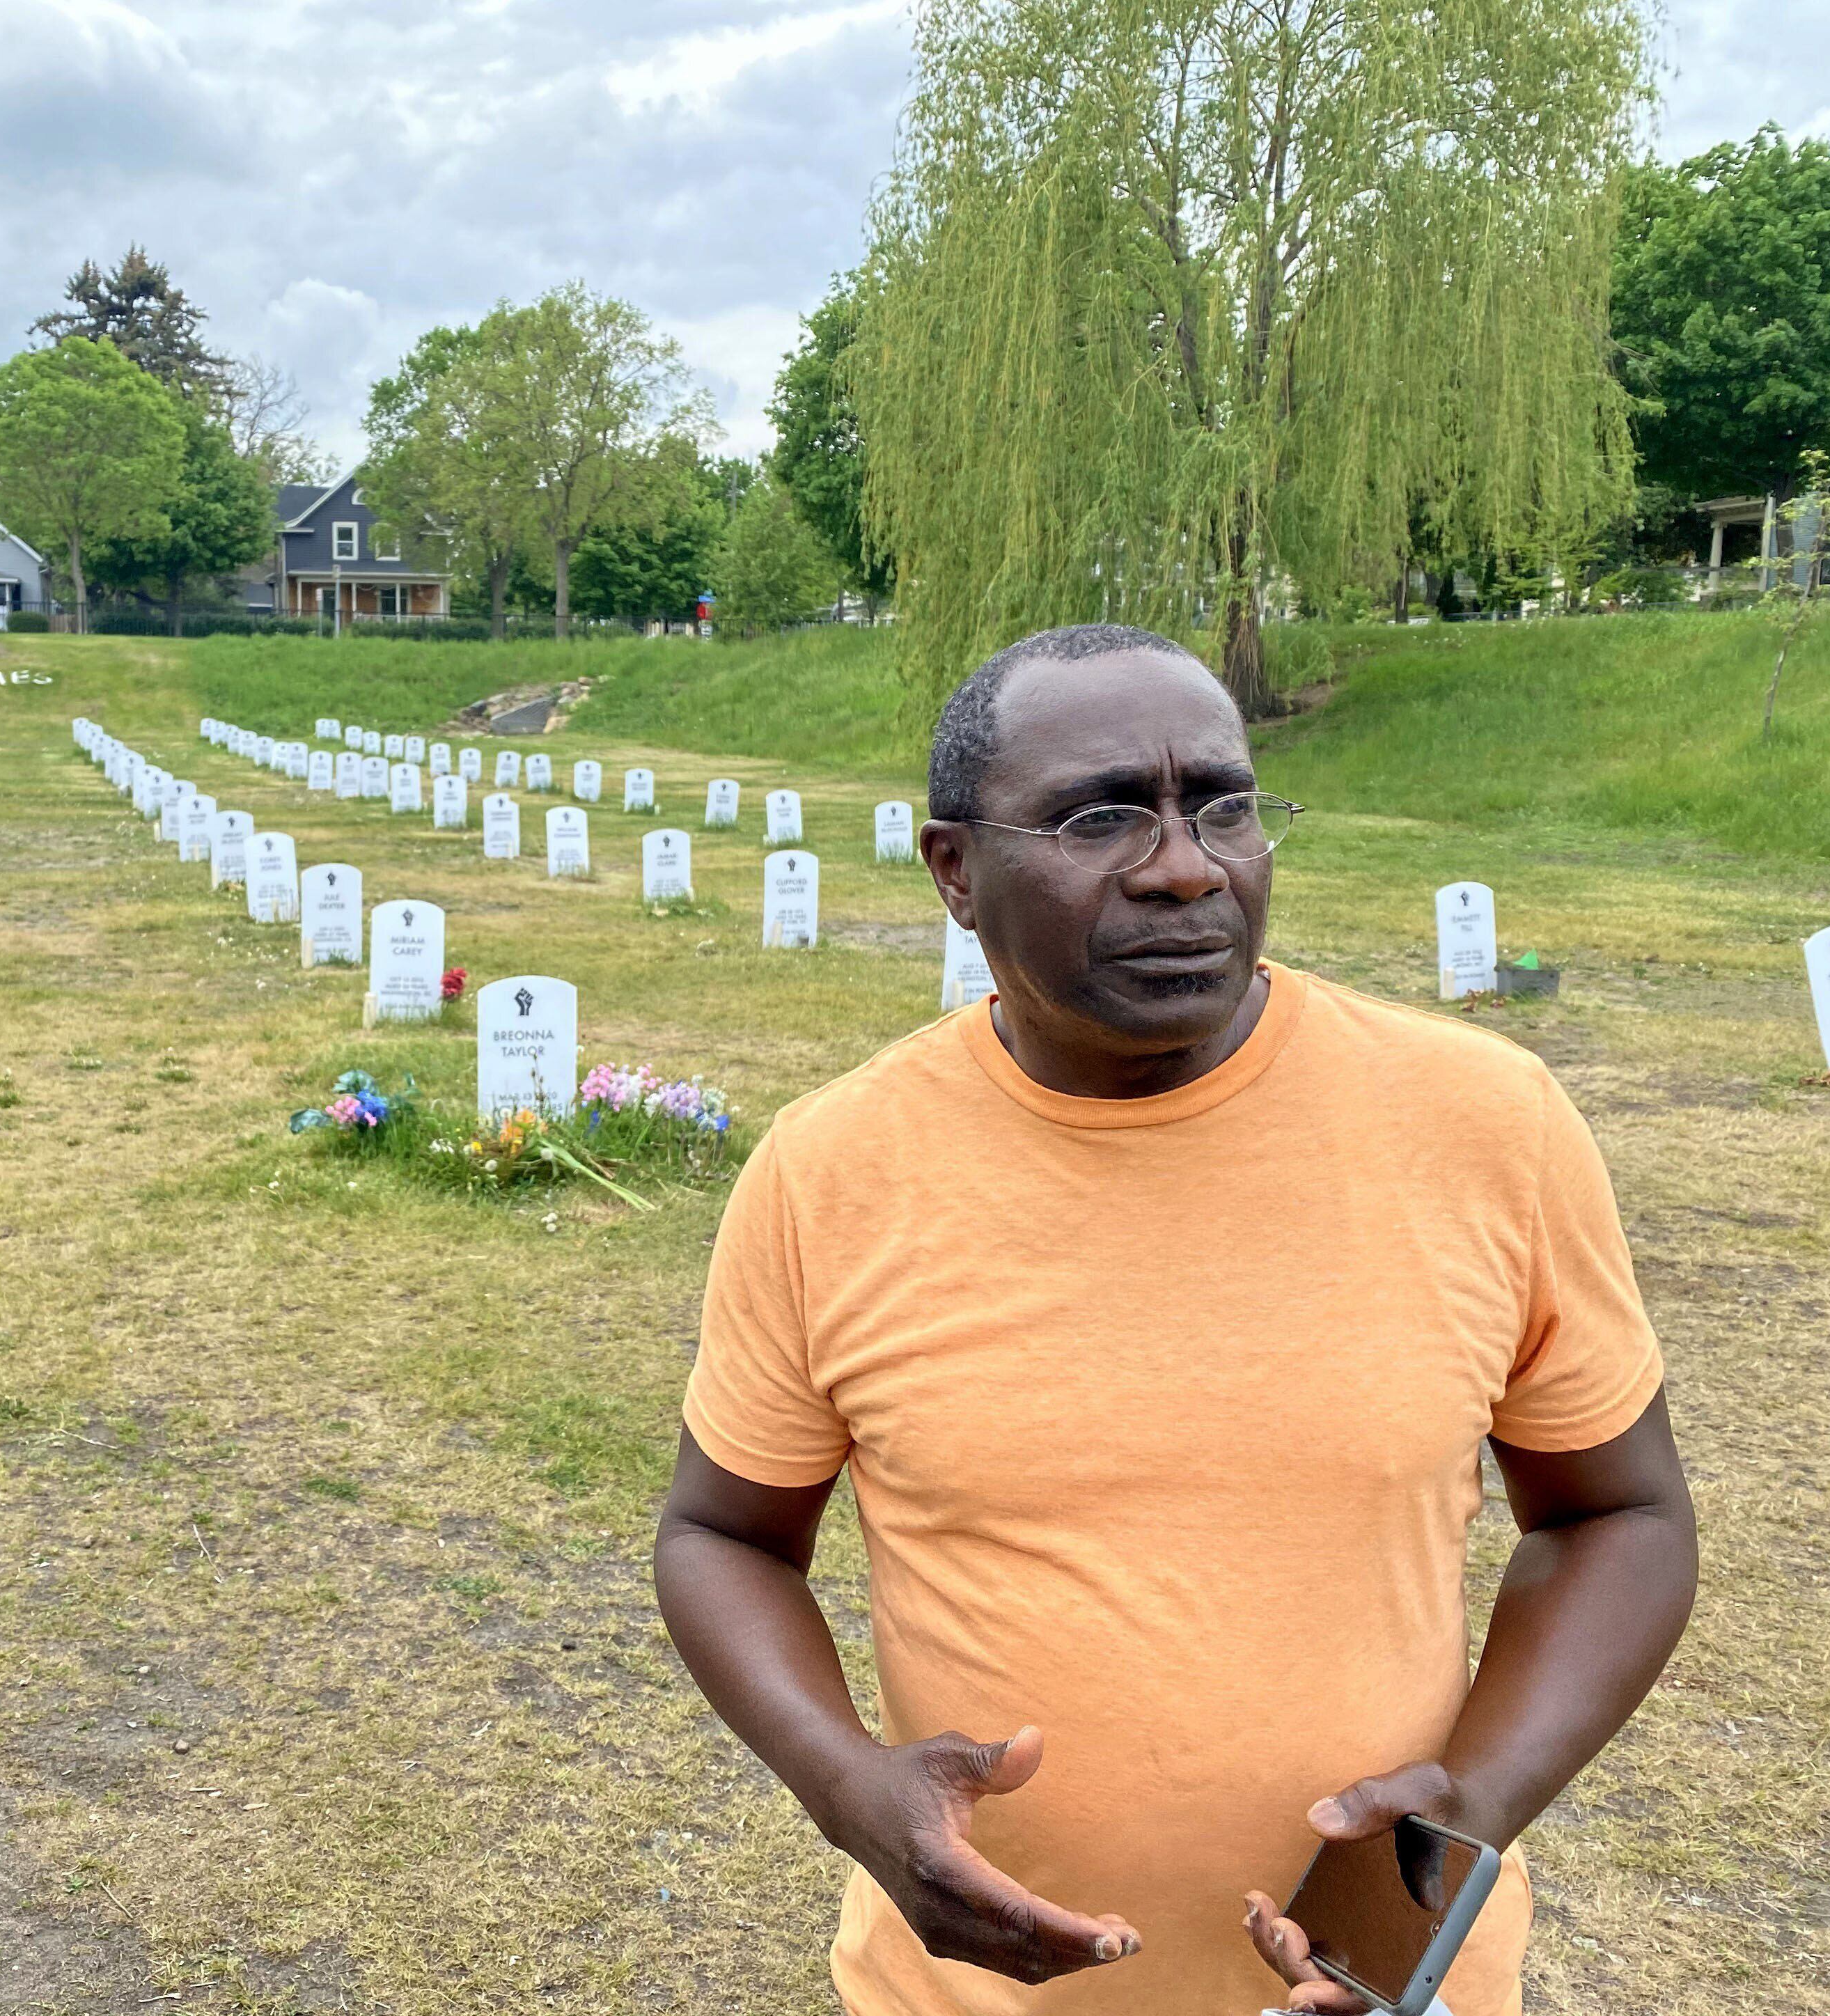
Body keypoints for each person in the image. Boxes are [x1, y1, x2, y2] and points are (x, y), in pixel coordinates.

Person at [654, 624, 1696, 2014]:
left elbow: (1619, 1515)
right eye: (1102, 816)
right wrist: (845, 1782)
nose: (1186, 865)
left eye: (1222, 803)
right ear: (956, 871)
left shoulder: (1486, 1125)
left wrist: (1454, 1829)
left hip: (1376, 1990)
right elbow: (722, 1535)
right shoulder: (833, 1171)